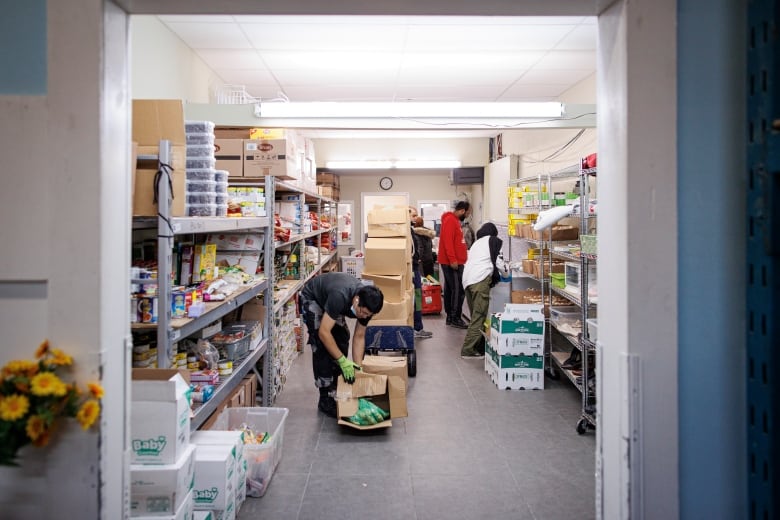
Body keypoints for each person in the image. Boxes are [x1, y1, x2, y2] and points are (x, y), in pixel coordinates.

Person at [299, 272, 384, 417]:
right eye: (362, 313)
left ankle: (337, 384)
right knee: (322, 345)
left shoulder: (368, 306)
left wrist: (358, 368)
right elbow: (324, 332)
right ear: (356, 300)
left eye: (367, 315)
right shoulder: (339, 296)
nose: (363, 317)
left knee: (341, 337)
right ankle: (325, 397)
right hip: (313, 298)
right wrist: (342, 360)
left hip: (332, 302)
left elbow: (359, 336)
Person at [460, 222, 508, 358]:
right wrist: (506, 273)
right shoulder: (493, 241)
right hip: (479, 280)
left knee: (475, 316)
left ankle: (479, 347)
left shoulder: (476, 243)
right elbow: (499, 263)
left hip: (467, 280)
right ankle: (468, 350)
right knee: (479, 317)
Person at [438, 200, 471, 329]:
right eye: (467, 213)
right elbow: (448, 242)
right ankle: (455, 318)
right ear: (462, 210)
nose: (467, 215)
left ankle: (450, 317)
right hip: (452, 262)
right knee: (458, 290)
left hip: (453, 261)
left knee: (450, 290)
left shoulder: (453, 221)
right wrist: (452, 259)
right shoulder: (451, 221)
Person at [409, 207, 433, 339]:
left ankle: (418, 327)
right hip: (411, 269)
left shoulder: (411, 231)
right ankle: (416, 328)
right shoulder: (407, 231)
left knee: (417, 298)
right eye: (414, 215)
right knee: (416, 297)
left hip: (415, 267)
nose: (415, 218)